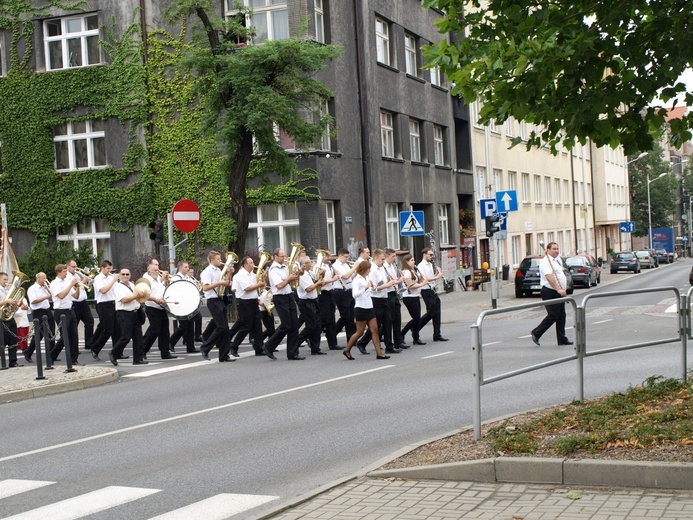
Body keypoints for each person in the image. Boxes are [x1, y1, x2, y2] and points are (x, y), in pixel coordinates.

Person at [355, 249, 401, 354]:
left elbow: (381, 282)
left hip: (384, 298)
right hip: (376, 300)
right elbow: (374, 288)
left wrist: (391, 282)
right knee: (377, 325)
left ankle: (389, 346)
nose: (383, 261)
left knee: (388, 322)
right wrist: (387, 285)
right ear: (376, 258)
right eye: (382, 259)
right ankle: (362, 342)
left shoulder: (381, 268)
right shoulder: (373, 270)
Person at [343, 261, 389, 360]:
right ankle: (347, 349)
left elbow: (371, 290)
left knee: (375, 329)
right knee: (359, 332)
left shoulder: (366, 278)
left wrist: (372, 287)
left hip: (369, 306)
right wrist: (365, 288)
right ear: (364, 269)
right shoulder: (357, 280)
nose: (369, 271)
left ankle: (379, 353)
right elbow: (354, 295)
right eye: (368, 269)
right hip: (361, 308)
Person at [530, 242, 574, 346]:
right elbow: (549, 277)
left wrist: (563, 290)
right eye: (554, 249)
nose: (556, 251)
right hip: (549, 291)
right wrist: (558, 289)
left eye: (557, 248)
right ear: (548, 250)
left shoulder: (555, 261)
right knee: (554, 315)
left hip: (558, 292)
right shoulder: (546, 262)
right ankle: (536, 333)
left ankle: (562, 339)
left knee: (561, 316)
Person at [263, 248, 301, 360]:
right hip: (280, 298)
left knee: (294, 325)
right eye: (282, 256)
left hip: (289, 296)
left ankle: (292, 353)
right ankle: (269, 346)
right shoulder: (273, 269)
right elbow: (279, 285)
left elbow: (293, 278)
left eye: (285, 256)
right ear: (275, 256)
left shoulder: (285, 267)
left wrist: (299, 272)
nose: (285, 258)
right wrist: (289, 279)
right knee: (286, 325)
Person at [228, 255, 266, 357]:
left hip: (253, 301)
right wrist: (259, 285)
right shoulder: (240, 275)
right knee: (246, 326)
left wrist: (263, 281)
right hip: (244, 302)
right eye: (251, 263)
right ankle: (234, 346)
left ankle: (259, 348)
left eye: (253, 262)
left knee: (257, 325)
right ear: (245, 264)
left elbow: (256, 289)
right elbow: (247, 288)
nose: (253, 265)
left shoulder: (253, 275)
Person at [199, 250, 233, 362]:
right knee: (221, 327)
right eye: (218, 259)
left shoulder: (219, 270)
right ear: (212, 260)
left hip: (219, 299)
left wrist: (230, 274)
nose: (221, 261)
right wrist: (220, 283)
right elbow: (205, 288)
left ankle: (223, 355)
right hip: (212, 300)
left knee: (225, 329)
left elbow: (226, 283)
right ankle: (205, 348)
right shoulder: (207, 271)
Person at [109, 268, 147, 365]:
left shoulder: (133, 285)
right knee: (126, 337)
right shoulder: (118, 287)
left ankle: (138, 359)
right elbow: (124, 300)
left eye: (127, 274)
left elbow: (138, 297)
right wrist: (136, 296)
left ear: (130, 275)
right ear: (120, 276)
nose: (125, 276)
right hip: (124, 313)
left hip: (135, 312)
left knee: (138, 337)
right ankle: (114, 353)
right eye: (123, 274)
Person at [142, 258, 176, 360]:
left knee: (165, 331)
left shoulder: (157, 279)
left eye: (158, 268)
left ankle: (165, 352)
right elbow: (145, 293)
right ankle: (143, 350)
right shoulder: (146, 278)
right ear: (149, 269)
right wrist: (156, 299)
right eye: (155, 268)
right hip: (152, 307)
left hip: (161, 307)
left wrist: (165, 280)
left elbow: (162, 289)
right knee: (154, 331)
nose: (158, 270)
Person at [50, 264, 82, 364]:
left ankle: (74, 360)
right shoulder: (54, 283)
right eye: (64, 272)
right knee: (65, 337)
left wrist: (77, 288)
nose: (66, 274)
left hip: (70, 310)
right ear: (58, 272)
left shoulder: (67, 282)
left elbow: (76, 297)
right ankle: (51, 356)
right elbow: (61, 296)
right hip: (60, 311)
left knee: (74, 336)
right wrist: (71, 285)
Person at [90, 260, 121, 361]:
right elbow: (103, 290)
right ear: (102, 268)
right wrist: (113, 281)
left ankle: (117, 352)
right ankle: (95, 349)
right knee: (108, 330)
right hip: (103, 304)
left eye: (110, 269)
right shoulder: (98, 279)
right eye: (107, 269)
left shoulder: (111, 277)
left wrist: (119, 280)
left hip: (113, 303)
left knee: (117, 329)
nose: (109, 271)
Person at [296, 256, 326, 355]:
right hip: (306, 302)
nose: (312, 263)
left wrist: (323, 273)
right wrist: (318, 283)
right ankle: (296, 343)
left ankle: (315, 348)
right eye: (309, 262)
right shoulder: (302, 275)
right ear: (304, 264)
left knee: (317, 325)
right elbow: (308, 289)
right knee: (311, 326)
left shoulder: (309, 273)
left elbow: (317, 278)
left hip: (314, 300)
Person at [169, 261, 200, 354]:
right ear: (180, 268)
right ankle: (170, 343)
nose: (187, 268)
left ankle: (190, 347)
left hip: (188, 304)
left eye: (188, 267)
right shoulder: (175, 278)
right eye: (186, 267)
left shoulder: (188, 278)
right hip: (180, 305)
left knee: (190, 325)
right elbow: (175, 291)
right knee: (183, 325)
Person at [418, 248, 448, 342]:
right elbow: (425, 279)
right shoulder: (421, 266)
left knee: (437, 312)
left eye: (432, 255)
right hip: (426, 290)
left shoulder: (430, 264)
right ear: (424, 255)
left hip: (433, 289)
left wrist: (437, 273)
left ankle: (437, 334)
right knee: (431, 312)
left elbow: (432, 277)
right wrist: (437, 276)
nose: (432, 256)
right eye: (430, 255)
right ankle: (416, 328)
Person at [25, 272, 55, 363]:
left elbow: (52, 298)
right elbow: (33, 301)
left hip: (47, 310)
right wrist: (46, 297)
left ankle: (52, 354)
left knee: (51, 333)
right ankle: (28, 352)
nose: (45, 281)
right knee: (39, 334)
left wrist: (49, 291)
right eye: (43, 279)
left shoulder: (45, 288)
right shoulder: (32, 289)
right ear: (38, 278)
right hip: (38, 312)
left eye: (45, 279)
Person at [66, 260, 95, 351]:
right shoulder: (67, 276)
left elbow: (85, 284)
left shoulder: (77, 274)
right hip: (74, 303)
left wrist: (85, 279)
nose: (75, 268)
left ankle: (89, 344)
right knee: (74, 326)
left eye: (76, 266)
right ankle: (73, 348)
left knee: (90, 321)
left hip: (83, 302)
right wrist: (83, 280)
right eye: (73, 267)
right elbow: (74, 287)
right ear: (68, 267)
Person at [400, 254, 427, 345]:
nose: (414, 262)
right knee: (416, 318)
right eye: (412, 260)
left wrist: (421, 279)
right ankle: (402, 333)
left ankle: (416, 337)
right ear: (407, 262)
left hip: (415, 296)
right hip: (409, 297)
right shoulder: (406, 272)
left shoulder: (413, 270)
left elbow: (417, 282)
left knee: (418, 319)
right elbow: (411, 286)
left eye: (414, 260)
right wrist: (422, 284)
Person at [332, 248, 357, 347]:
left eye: (348, 257)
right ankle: (332, 334)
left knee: (351, 316)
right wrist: (354, 267)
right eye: (345, 257)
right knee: (345, 316)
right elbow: (345, 276)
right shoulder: (336, 265)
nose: (347, 259)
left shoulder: (346, 265)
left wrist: (357, 272)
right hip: (340, 292)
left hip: (349, 290)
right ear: (340, 256)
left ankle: (351, 339)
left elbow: (350, 277)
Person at [317, 254, 342, 350]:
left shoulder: (329, 266)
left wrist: (334, 275)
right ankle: (313, 339)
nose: (329, 257)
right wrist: (333, 279)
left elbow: (330, 280)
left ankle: (333, 343)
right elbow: (320, 282)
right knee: (324, 318)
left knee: (331, 319)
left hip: (330, 291)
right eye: (326, 255)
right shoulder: (318, 267)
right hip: (323, 294)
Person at [383, 248, 407, 349]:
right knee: (390, 320)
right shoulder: (383, 267)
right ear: (387, 256)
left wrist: (399, 279)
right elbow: (385, 283)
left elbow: (394, 279)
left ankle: (398, 341)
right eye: (393, 256)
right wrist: (397, 281)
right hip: (388, 294)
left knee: (397, 318)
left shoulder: (392, 266)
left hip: (395, 293)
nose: (395, 258)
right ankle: (365, 341)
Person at [0, 272, 21, 367]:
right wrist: (6, 301)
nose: (6, 281)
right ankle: (3, 362)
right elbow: (4, 303)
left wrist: (14, 306)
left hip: (9, 317)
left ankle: (13, 361)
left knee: (13, 339)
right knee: (3, 340)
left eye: (7, 279)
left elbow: (10, 304)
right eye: (4, 279)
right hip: (1, 318)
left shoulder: (6, 290)